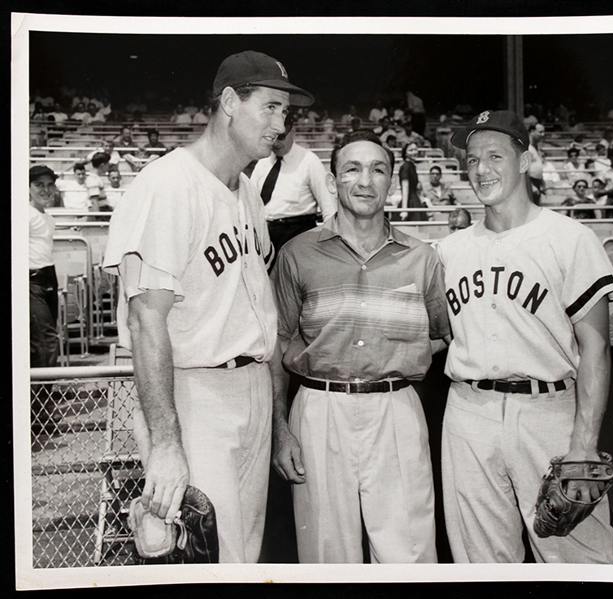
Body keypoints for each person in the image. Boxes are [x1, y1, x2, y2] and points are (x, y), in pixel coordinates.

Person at [102, 50, 314, 563]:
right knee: (199, 559)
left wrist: (279, 421)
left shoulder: (246, 192)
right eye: (269, 107)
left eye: (286, 112)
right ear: (227, 102)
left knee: (241, 555)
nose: (281, 124)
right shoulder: (168, 185)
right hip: (195, 396)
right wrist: (166, 442)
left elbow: (259, 317)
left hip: (252, 391)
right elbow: (146, 320)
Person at [437, 109, 613, 563]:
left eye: (495, 156)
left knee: (580, 561)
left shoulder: (571, 239)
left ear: (525, 161)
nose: (481, 169)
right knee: (479, 564)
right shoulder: (448, 250)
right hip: (468, 412)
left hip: (550, 414)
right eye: (471, 160)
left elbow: (596, 349)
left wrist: (583, 446)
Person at [270, 129, 450, 563]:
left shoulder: (421, 257)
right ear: (332, 182)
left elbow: (443, 333)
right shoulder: (297, 254)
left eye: (377, 169)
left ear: (391, 181)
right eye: (352, 169)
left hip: (396, 409)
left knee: (409, 555)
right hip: (319, 409)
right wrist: (280, 430)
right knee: (326, 557)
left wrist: (399, 353)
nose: (365, 181)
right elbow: (277, 344)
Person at [250, 111, 337, 254]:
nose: (276, 143)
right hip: (265, 238)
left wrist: (331, 248)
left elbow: (329, 209)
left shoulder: (309, 161)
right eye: (273, 137)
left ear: (293, 132)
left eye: (282, 137)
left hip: (299, 235)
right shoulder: (263, 163)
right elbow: (250, 203)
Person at [29, 165, 61, 434]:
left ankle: (39, 408)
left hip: (49, 277)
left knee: (45, 346)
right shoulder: (23, 215)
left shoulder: (48, 218)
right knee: (47, 344)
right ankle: (39, 412)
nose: (45, 190)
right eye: (39, 185)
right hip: (29, 280)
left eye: (49, 185)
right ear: (28, 188)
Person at [398, 141, 428, 222]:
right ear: (405, 153)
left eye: (415, 149)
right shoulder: (405, 167)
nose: (414, 152)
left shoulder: (412, 166)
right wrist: (404, 209)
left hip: (415, 200)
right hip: (410, 202)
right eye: (411, 150)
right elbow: (405, 189)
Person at [527, 122, 547, 205]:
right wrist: (531, 186)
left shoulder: (536, 147)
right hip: (529, 182)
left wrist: (542, 182)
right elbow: (523, 169)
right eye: (540, 132)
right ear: (532, 131)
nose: (543, 134)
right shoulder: (526, 147)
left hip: (537, 182)